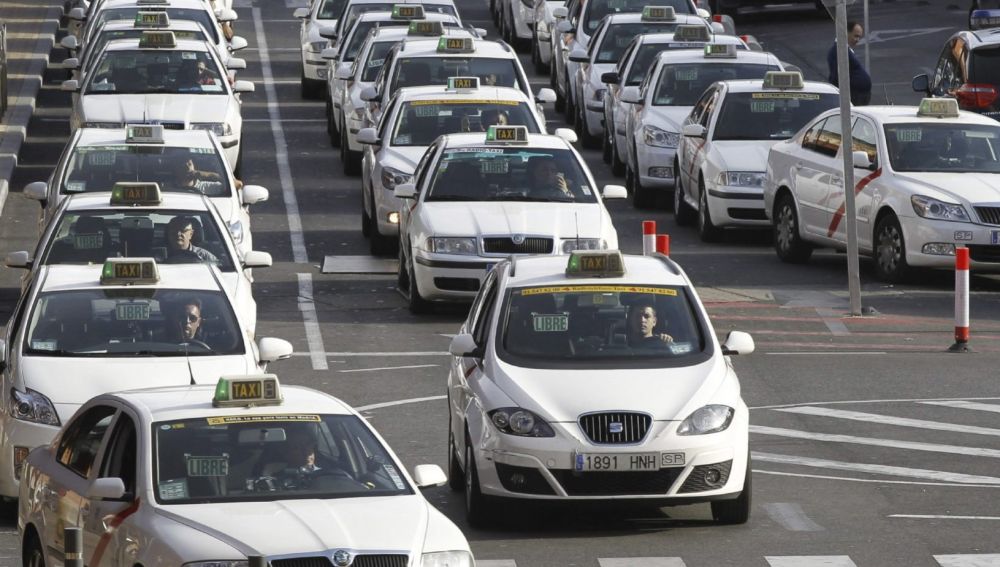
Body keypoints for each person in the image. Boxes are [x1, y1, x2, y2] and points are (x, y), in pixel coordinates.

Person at [827, 20, 872, 106]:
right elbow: (835, 76)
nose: (858, 40)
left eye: (859, 37)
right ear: (846, 33)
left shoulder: (844, 49)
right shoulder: (838, 50)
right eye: (856, 36)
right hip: (854, 96)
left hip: (858, 95)